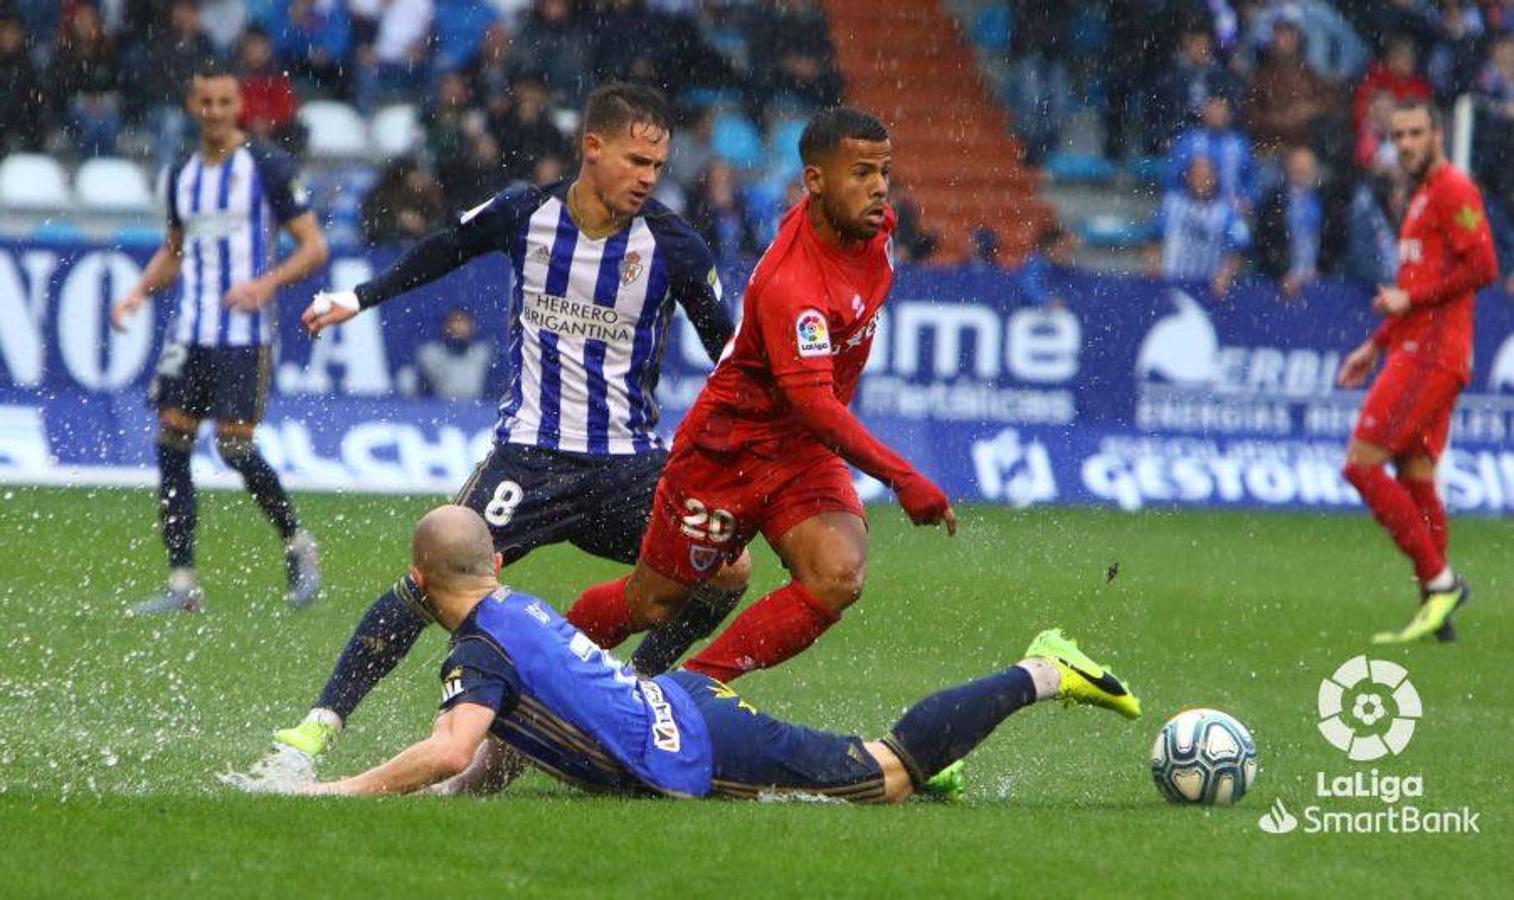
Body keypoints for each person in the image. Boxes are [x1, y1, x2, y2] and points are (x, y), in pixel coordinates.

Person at [259, 83, 751, 769]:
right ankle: (317, 728)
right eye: (636, 161)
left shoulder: (673, 244)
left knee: (727, 571)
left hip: (630, 468)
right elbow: (444, 248)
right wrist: (356, 297)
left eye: (657, 167)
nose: (647, 178)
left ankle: (640, 694)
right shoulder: (527, 212)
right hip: (529, 458)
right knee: (429, 579)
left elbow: (731, 349)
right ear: (592, 147)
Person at [227, 506, 1141, 801]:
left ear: (421, 587)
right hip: (682, 707)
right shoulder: (520, 609)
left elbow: (452, 745)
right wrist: (456, 798)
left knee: (884, 774)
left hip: (695, 744)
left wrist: (334, 793)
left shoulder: (479, 652)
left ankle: (1044, 669)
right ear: (496, 562)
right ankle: (955, 740)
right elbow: (505, 742)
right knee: (861, 768)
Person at [565, 107, 955, 685]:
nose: (878, 188)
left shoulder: (878, 229)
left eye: (884, 172)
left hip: (800, 453)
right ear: (815, 182)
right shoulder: (791, 284)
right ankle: (536, 670)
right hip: (728, 453)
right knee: (653, 603)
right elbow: (816, 405)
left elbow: (813, 417)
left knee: (838, 574)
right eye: (862, 173)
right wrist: (903, 477)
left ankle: (690, 691)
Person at [108, 60, 330, 615]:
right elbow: (175, 249)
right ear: (193, 106)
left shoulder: (267, 165)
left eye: (225, 103)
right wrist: (137, 291)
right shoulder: (183, 170)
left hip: (243, 334)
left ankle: (298, 543)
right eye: (206, 103)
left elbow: (313, 247)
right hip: (191, 330)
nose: (215, 112)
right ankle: (183, 584)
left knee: (234, 447)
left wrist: (265, 284)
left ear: (239, 107)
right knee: (170, 443)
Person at [1335, 98, 1496, 644]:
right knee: (1416, 477)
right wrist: (1373, 345)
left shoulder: (1452, 189)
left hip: (1432, 354)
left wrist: (1411, 302)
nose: (1404, 144)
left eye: (1414, 134)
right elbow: (1410, 297)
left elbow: (1484, 265)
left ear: (1436, 134)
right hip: (1415, 346)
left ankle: (1441, 579)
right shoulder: (1420, 197)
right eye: (1397, 135)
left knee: (1361, 464)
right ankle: (1437, 612)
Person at [1148, 155, 1250, 297]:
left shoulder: (1227, 211)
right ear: (1187, 178)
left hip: (1208, 286)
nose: (1202, 181)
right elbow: (1154, 239)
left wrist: (1225, 275)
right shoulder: (1172, 204)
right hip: (1172, 283)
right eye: (1197, 176)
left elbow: (1238, 246)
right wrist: (1154, 266)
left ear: (1214, 178)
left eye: (1206, 176)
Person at [412, 308, 491, 400]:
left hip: (480, 410)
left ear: (472, 326)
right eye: (453, 321)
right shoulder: (430, 355)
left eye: (462, 322)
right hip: (437, 410)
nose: (457, 326)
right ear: (445, 326)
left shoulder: (484, 355)